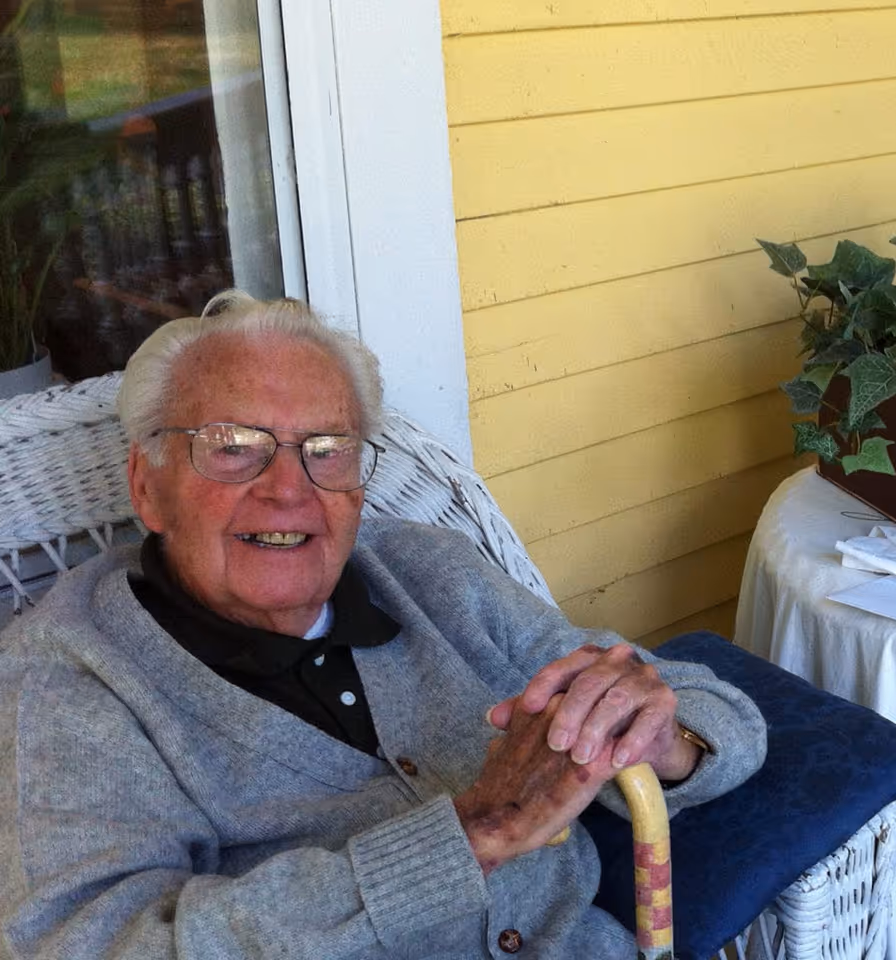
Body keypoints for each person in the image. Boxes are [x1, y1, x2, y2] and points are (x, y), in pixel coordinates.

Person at [0, 292, 768, 959]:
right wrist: (470, 837)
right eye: (232, 449)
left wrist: (658, 739)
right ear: (148, 487)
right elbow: (90, 944)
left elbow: (716, 715)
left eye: (326, 450)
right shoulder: (70, 679)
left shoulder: (428, 571)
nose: (287, 492)